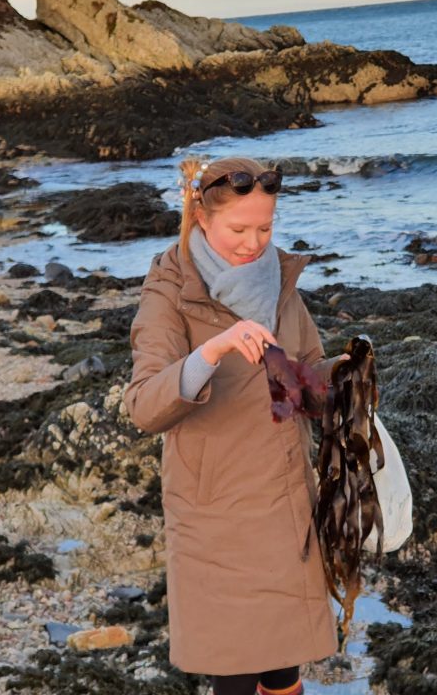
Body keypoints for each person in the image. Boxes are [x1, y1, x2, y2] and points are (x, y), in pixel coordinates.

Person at [124, 157, 340, 695]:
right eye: (238, 230)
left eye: (265, 228)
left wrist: (348, 375)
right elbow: (144, 405)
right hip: (216, 514)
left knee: (284, 665)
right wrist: (211, 352)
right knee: (237, 672)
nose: (253, 243)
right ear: (200, 217)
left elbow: (306, 384)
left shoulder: (280, 282)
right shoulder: (169, 291)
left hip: (286, 501)